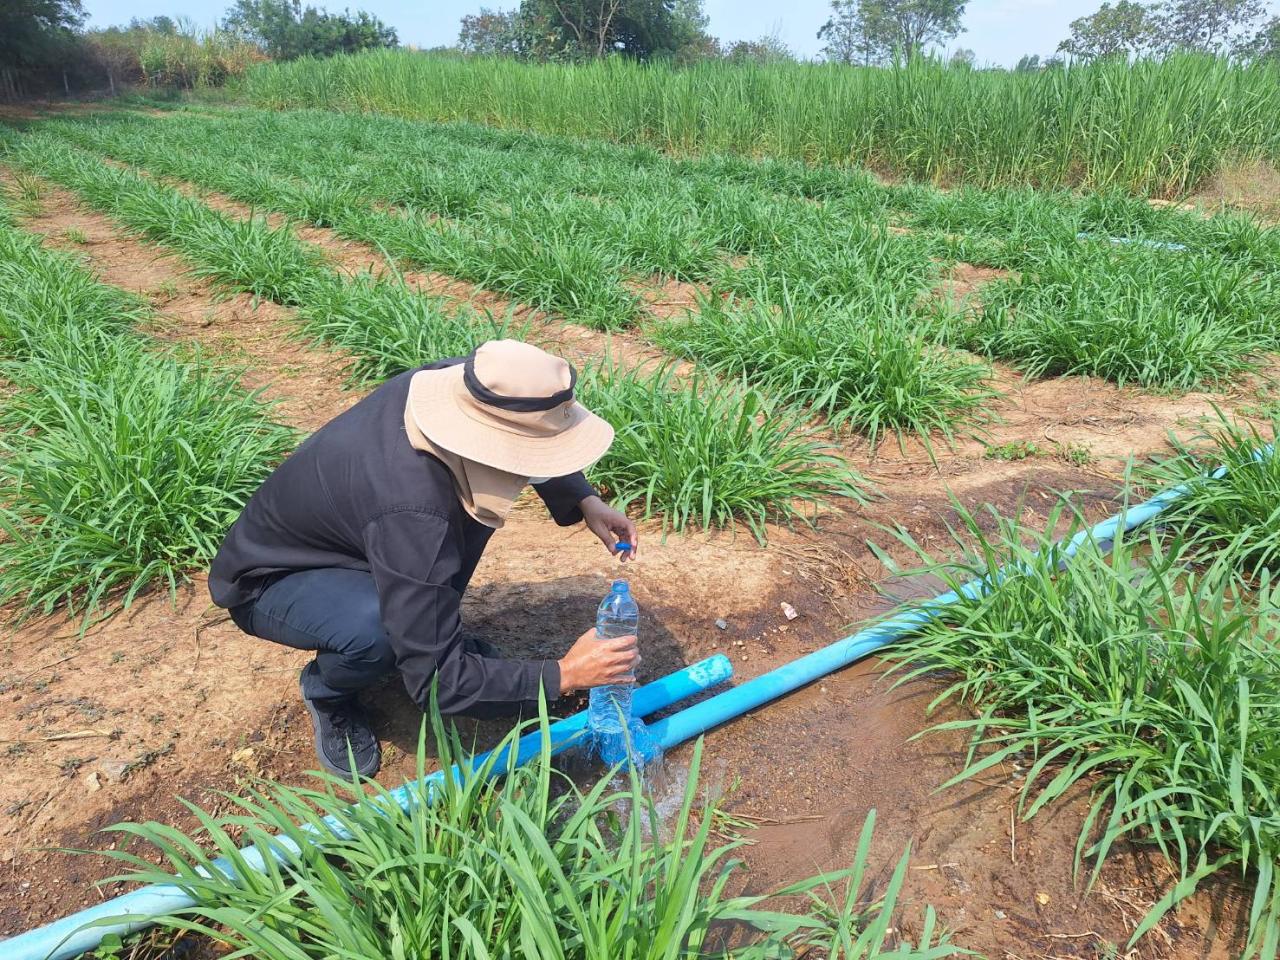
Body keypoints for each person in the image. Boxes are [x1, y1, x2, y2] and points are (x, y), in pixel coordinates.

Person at [209, 340, 640, 777]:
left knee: (437, 573)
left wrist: (584, 500)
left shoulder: (466, 387)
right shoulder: (415, 511)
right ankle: (327, 691)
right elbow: (440, 686)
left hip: (358, 537)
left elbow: (529, 436)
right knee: (376, 633)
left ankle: (422, 634)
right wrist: (564, 675)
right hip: (273, 578)